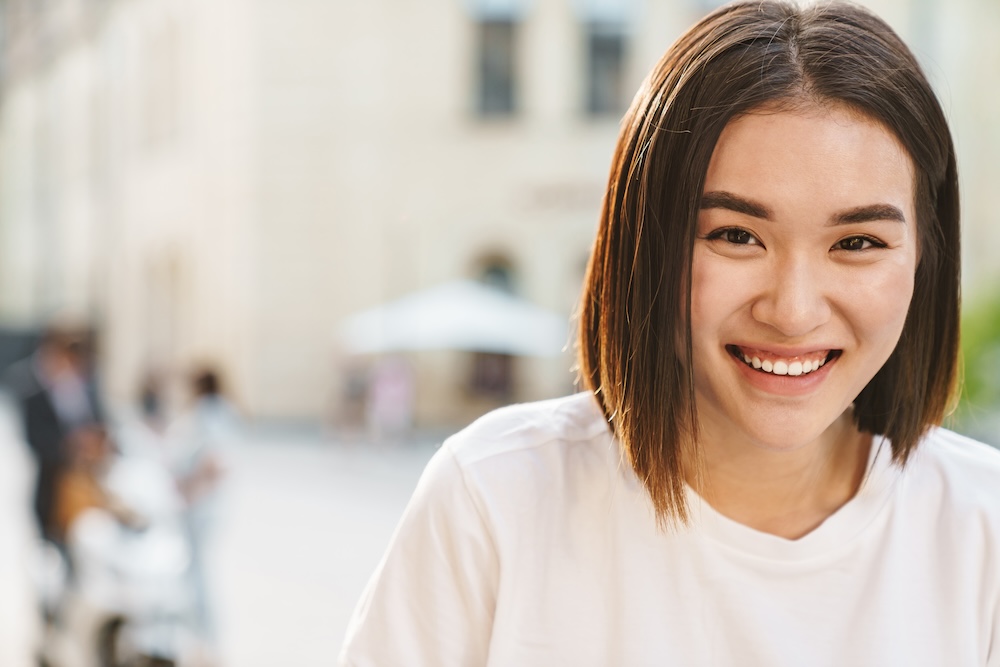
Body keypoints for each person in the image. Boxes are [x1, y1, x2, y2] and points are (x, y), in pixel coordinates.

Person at [339, 2, 999, 665]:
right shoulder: (495, 498)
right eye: (736, 236)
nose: (793, 310)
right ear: (646, 241)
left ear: (925, 256)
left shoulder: (982, 531)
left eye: (857, 241)